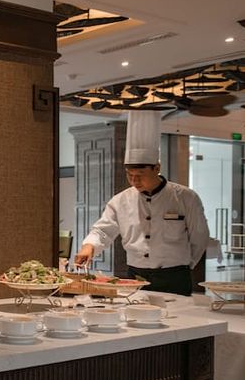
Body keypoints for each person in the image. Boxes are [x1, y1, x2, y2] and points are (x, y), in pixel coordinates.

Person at [74, 113, 209, 296]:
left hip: (175, 276)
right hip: (136, 275)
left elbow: (199, 236)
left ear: (157, 168)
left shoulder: (185, 197)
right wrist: (89, 246)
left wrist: (185, 264)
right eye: (130, 175)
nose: (134, 181)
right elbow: (103, 231)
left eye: (140, 175)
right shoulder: (120, 201)